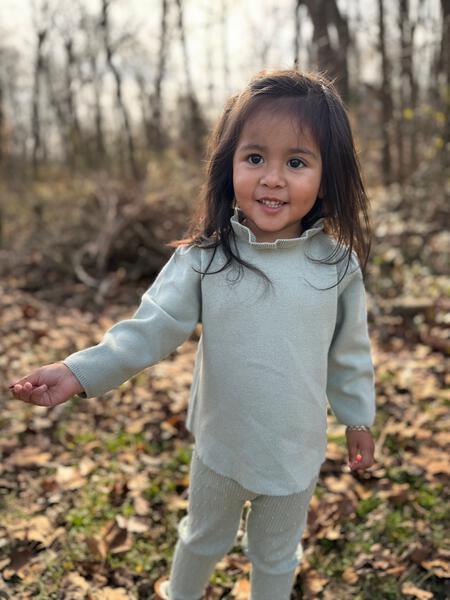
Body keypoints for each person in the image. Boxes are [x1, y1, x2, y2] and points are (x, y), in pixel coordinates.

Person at [9, 68, 376, 600]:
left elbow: (350, 354)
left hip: (294, 451)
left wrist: (358, 418)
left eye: (296, 162)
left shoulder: (336, 268)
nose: (272, 178)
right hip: (221, 448)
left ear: (328, 174)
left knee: (275, 555)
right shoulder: (206, 258)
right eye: (255, 158)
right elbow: (150, 329)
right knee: (203, 538)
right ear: (229, 165)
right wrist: (78, 372)